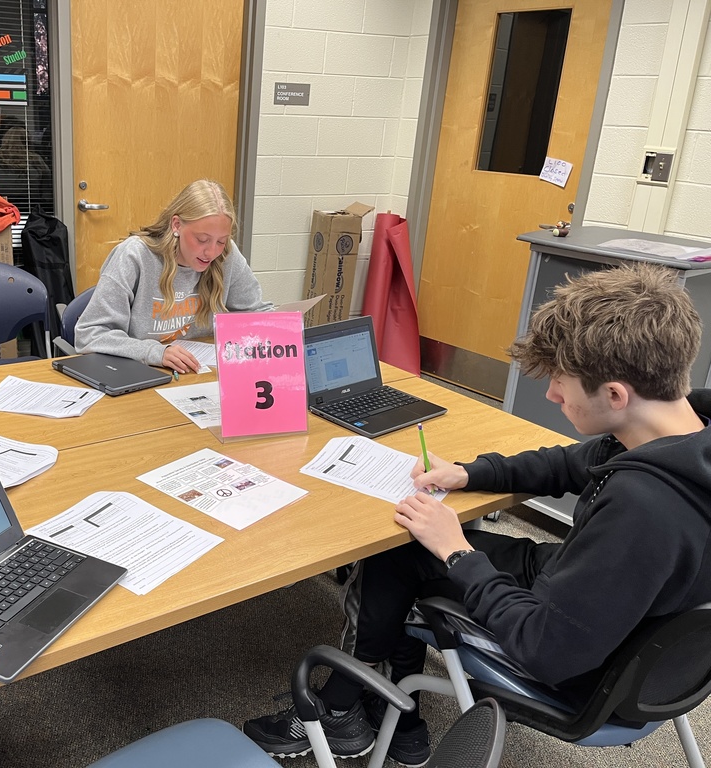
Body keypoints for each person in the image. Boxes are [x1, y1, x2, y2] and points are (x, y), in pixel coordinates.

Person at [243, 263, 711, 767]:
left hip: (580, 667)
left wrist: (457, 550)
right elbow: (569, 464)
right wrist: (469, 473)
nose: (552, 395)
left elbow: (543, 648)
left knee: (404, 552)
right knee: (417, 546)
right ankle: (397, 717)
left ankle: (339, 710)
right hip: (630, 627)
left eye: (559, 382)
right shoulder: (681, 434)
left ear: (616, 394)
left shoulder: (643, 510)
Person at [74, 178, 273, 374]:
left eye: (221, 241)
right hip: (140, 372)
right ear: (176, 225)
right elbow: (90, 334)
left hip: (196, 373)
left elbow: (256, 311)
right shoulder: (134, 256)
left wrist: (283, 326)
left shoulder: (227, 255)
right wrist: (155, 352)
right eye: (202, 239)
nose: (211, 252)